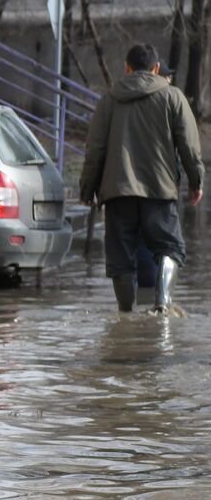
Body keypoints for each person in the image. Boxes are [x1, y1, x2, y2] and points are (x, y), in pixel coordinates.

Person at [80, 43, 204, 313]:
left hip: (117, 192)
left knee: (121, 261)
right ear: (157, 69)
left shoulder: (109, 100)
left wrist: (87, 188)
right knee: (169, 248)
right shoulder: (172, 97)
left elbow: (95, 148)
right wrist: (196, 182)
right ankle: (163, 306)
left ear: (126, 68)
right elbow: (189, 146)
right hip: (160, 190)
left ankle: (125, 317)